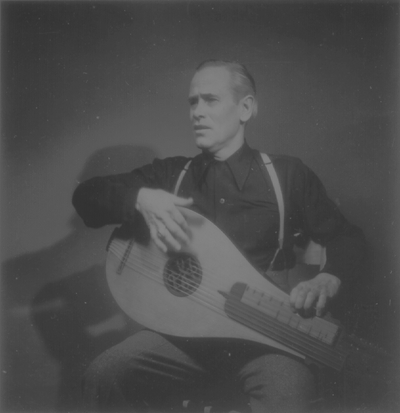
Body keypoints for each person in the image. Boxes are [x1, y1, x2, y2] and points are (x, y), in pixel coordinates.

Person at [72, 60, 365, 412]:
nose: (197, 111)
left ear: (246, 108)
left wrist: (328, 279)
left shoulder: (288, 175)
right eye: (193, 102)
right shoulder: (171, 175)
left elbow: (348, 238)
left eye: (210, 100)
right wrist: (139, 197)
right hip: (182, 340)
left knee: (288, 396)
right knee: (104, 374)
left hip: (266, 338)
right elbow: (86, 198)